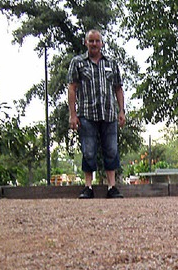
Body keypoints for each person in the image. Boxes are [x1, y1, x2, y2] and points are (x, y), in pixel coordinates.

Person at [68, 29, 126, 199]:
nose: (94, 44)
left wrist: (121, 110)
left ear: (102, 43)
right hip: (87, 113)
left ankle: (112, 187)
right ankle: (88, 187)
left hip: (109, 113)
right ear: (86, 42)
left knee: (111, 149)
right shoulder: (78, 63)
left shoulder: (111, 63)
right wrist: (73, 114)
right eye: (91, 41)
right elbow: (72, 88)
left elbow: (118, 88)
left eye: (97, 41)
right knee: (88, 150)